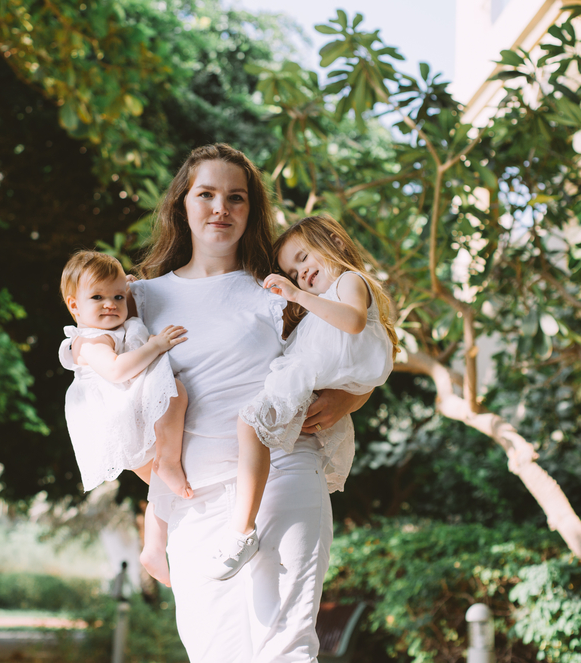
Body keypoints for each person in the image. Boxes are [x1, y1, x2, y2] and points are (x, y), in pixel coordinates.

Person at [128, 143, 372, 662]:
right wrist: (153, 475)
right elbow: (111, 404)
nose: (221, 208)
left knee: (284, 646)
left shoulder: (279, 290)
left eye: (236, 198)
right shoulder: (141, 298)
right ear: (181, 204)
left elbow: (355, 352)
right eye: (207, 194)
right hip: (195, 499)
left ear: (251, 210)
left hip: (285, 472)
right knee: (214, 651)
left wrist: (349, 401)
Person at [57, 250, 190, 587]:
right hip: (117, 413)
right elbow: (116, 371)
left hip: (125, 412)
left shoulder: (112, 323)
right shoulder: (90, 340)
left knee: (164, 489)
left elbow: (125, 294)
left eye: (117, 296)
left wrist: (127, 288)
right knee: (175, 394)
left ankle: (155, 548)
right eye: (97, 297)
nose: (111, 304)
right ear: (74, 306)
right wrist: (157, 345)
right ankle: (170, 460)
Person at [240, 214, 397, 495]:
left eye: (303, 258)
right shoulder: (320, 305)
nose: (300, 273)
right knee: (253, 431)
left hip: (321, 388)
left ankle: (246, 510)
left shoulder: (350, 281)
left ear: (335, 243)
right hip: (317, 392)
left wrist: (298, 296)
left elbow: (353, 321)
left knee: (249, 423)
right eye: (292, 274)